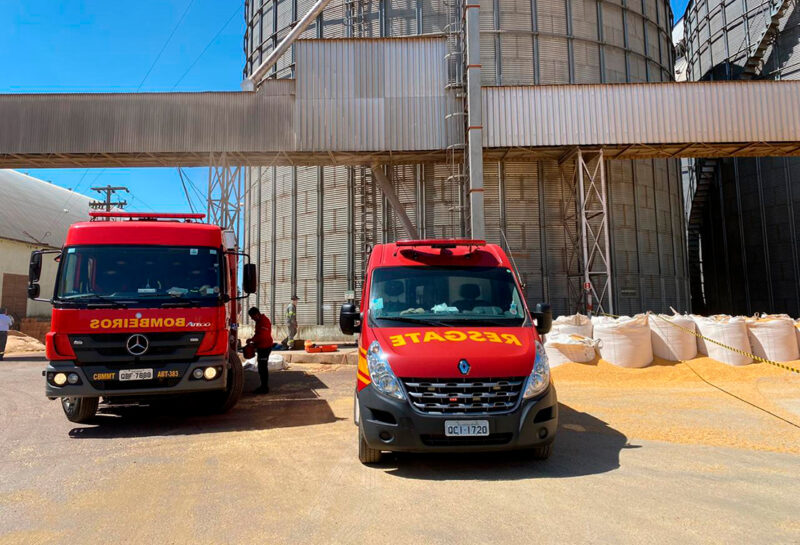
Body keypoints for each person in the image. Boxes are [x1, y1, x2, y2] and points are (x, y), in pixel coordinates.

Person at [247, 307, 273, 394]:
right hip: (262, 346)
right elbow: (258, 334)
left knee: (262, 368)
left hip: (265, 347)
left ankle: (264, 387)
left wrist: (253, 341)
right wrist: (252, 339)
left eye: (252, 316)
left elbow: (262, 336)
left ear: (257, 314)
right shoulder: (259, 321)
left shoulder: (263, 322)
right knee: (261, 367)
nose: (252, 318)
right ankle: (263, 386)